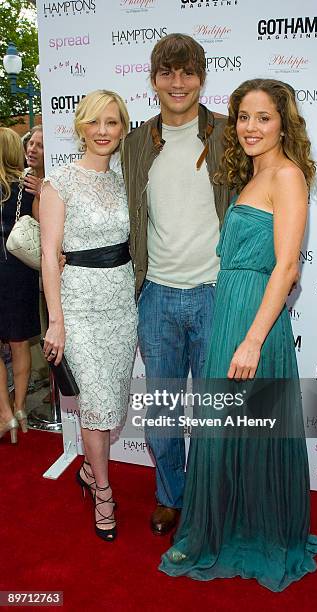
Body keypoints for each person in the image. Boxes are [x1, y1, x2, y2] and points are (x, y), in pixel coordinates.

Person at [159, 79, 317, 590]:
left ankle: (258, 531)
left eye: (263, 118)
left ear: (283, 123)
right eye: (244, 117)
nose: (251, 128)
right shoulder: (254, 174)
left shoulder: (287, 176)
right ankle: (232, 523)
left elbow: (287, 268)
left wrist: (253, 339)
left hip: (256, 320)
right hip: (229, 309)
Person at [122, 33, 229, 536]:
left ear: (202, 77)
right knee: (162, 411)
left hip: (215, 292)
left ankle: (208, 499)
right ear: (154, 80)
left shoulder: (230, 135)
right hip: (157, 295)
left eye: (187, 72)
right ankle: (170, 495)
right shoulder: (136, 142)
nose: (178, 82)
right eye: (168, 73)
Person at [40, 90, 137, 541]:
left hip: (122, 303)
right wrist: (55, 319)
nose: (103, 131)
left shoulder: (125, 179)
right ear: (80, 126)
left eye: (113, 123)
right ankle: (103, 491)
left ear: (122, 129)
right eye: (95, 122)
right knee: (96, 407)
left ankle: (87, 470)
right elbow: (47, 254)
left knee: (111, 402)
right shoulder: (59, 181)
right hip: (78, 306)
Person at [0, 128, 41, 443]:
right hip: (21, 273)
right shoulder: (28, 186)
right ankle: (21, 408)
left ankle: (5, 415)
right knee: (19, 343)